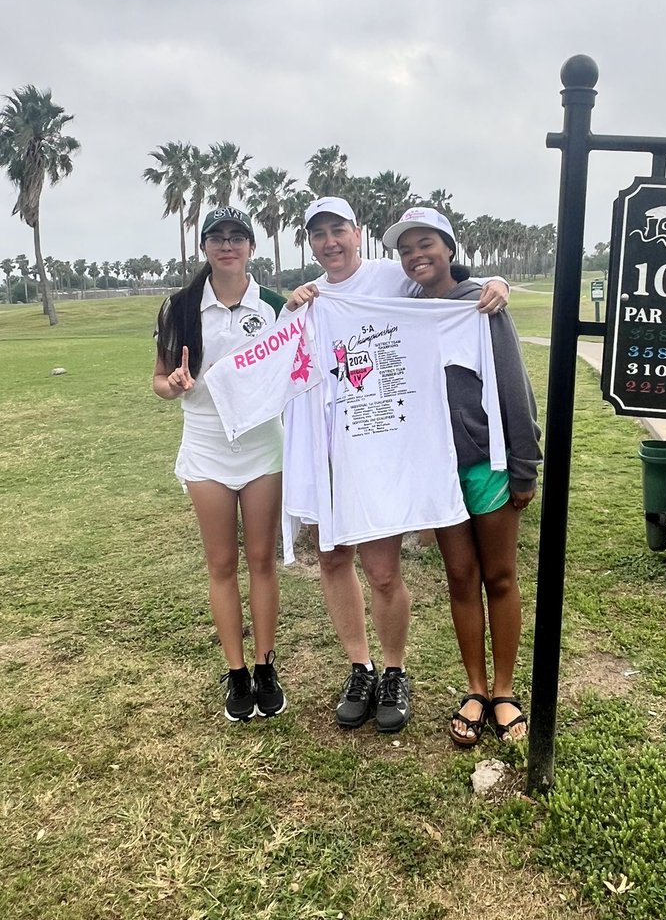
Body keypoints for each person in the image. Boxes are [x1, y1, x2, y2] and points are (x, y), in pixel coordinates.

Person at [285, 197, 509, 734]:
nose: (330, 242)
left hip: (385, 448)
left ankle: (393, 670)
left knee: (383, 570)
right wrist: (291, 309)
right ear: (311, 243)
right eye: (319, 234)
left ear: (356, 232)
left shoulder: (393, 278)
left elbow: (445, 284)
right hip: (332, 448)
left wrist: (493, 281)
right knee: (332, 558)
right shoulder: (308, 300)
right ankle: (358, 667)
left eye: (338, 229)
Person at [381, 207, 542, 745]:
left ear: (448, 247)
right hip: (436, 472)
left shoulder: (480, 304)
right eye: (405, 250)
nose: (415, 255)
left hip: (487, 466)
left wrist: (524, 466)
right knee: (459, 579)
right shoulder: (400, 310)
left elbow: (513, 385)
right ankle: (474, 687)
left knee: (498, 577)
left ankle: (503, 691)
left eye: (424, 243)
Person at [153, 205, 288, 723]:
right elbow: (160, 381)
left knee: (261, 560)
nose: (227, 245)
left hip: (261, 449)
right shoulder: (180, 307)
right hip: (206, 448)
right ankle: (236, 674)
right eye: (217, 237)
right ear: (204, 246)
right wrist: (176, 386)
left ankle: (265, 666)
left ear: (251, 246)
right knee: (221, 564)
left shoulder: (273, 305)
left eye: (237, 237)